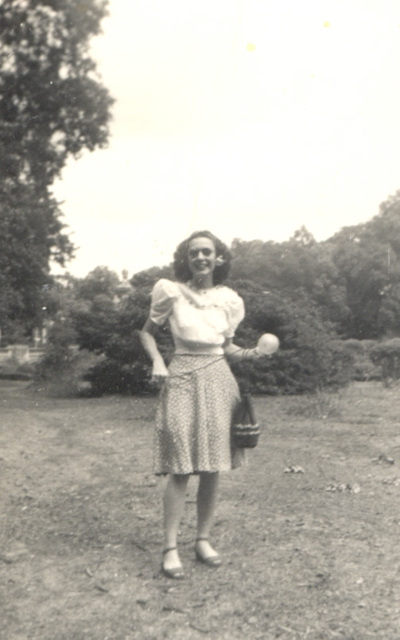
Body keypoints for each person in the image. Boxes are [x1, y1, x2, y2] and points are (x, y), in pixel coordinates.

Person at [140, 230, 265, 579]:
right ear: (186, 258)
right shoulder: (170, 291)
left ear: (218, 258)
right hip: (181, 376)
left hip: (219, 379)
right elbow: (147, 331)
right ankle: (169, 547)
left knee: (211, 465)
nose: (200, 258)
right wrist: (158, 362)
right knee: (180, 465)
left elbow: (227, 348)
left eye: (207, 252)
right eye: (194, 252)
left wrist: (253, 353)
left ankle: (203, 540)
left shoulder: (229, 299)